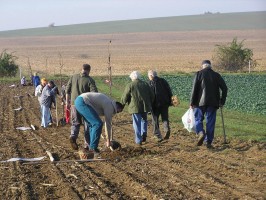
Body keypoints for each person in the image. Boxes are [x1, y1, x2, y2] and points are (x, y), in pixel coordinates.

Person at [190, 60, 228, 148]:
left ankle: (200, 132)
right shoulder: (216, 75)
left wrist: (191, 102)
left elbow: (194, 89)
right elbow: (225, 88)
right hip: (213, 103)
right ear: (210, 66)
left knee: (198, 119)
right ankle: (208, 142)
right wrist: (222, 101)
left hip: (199, 103)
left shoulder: (198, 74)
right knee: (210, 122)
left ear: (202, 66)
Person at [74, 92, 124, 157]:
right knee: (97, 124)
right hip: (83, 102)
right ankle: (93, 149)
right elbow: (108, 124)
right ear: (118, 107)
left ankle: (91, 148)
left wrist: (109, 139)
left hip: (79, 101)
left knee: (93, 125)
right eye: (119, 111)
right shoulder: (110, 106)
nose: (117, 113)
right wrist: (108, 140)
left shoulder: (108, 103)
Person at [66, 64, 98, 150]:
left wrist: (67, 102)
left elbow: (67, 90)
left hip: (73, 104)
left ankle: (73, 136)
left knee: (75, 123)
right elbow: (94, 93)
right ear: (88, 70)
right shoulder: (90, 80)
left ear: (82, 69)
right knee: (87, 124)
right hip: (85, 105)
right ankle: (87, 145)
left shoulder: (73, 77)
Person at [121, 71, 157, 145]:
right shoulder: (145, 84)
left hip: (135, 107)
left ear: (132, 77)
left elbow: (125, 97)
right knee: (144, 120)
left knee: (136, 123)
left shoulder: (130, 85)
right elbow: (152, 95)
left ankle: (138, 140)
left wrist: (121, 104)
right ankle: (144, 134)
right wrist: (149, 103)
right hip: (145, 107)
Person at [148, 70, 173, 140]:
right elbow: (169, 90)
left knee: (155, 120)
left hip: (155, 105)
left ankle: (157, 135)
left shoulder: (150, 83)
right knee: (165, 118)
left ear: (151, 76)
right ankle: (166, 129)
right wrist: (170, 100)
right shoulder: (163, 81)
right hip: (165, 104)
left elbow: (149, 95)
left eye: (149, 76)